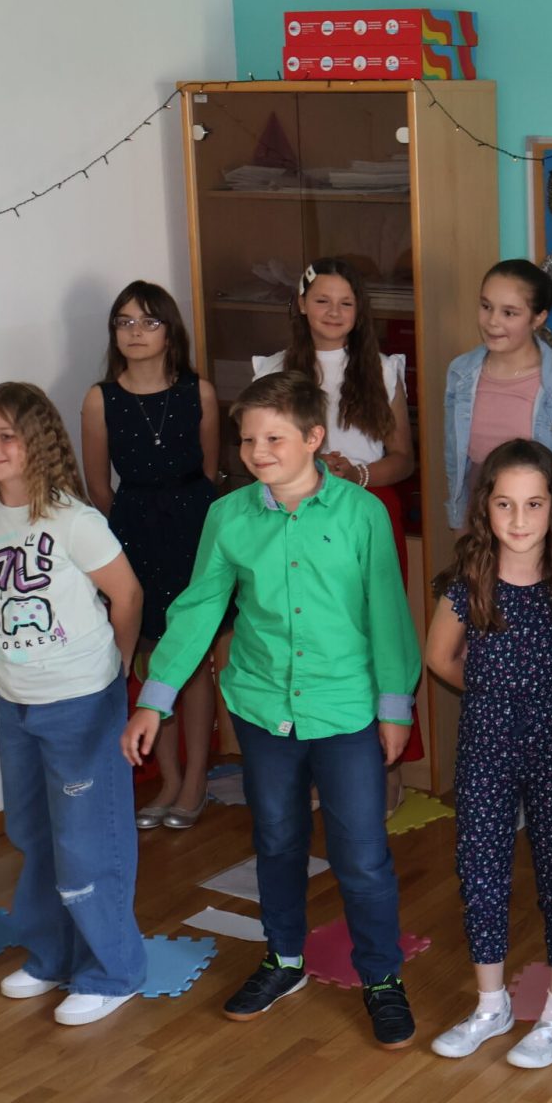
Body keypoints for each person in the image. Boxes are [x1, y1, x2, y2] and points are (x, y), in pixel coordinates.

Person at [119, 372, 423, 1045]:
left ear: (314, 438)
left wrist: (394, 707)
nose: (258, 452)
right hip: (263, 709)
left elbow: (387, 612)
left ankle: (381, 977)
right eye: (248, 440)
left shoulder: (362, 514)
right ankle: (283, 959)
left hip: (345, 710)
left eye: (274, 438)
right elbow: (199, 609)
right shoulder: (228, 517)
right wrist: (154, 700)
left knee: (361, 854)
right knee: (277, 842)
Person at [0, 383, 148, 1025]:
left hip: (81, 701)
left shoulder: (73, 520)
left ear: (37, 440)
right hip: (16, 703)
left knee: (88, 843)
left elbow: (127, 595)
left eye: (7, 435)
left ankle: (112, 971)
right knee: (33, 834)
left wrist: (117, 669)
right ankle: (52, 956)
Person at [423, 439, 552, 1069]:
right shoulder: (469, 584)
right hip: (486, 750)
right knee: (482, 873)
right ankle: (490, 1005)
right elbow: (440, 658)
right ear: (485, 509)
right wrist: (493, 693)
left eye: (533, 504)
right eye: (504, 504)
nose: (519, 519)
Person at [257, 256, 421, 804]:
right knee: (307, 637)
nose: (333, 312)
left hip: (369, 513)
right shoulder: (273, 370)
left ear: (359, 311)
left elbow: (403, 458)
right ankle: (314, 768)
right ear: (301, 304)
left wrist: (359, 475)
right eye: (322, 300)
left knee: (379, 634)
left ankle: (388, 766)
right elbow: (256, 452)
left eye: (346, 303)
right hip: (293, 520)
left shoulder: (382, 369)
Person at [81, 280, 220, 829]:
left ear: (170, 331)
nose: (135, 332)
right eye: (124, 322)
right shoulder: (100, 398)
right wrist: (132, 529)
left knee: (192, 656)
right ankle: (167, 778)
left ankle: (196, 779)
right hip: (133, 529)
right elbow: (99, 487)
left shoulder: (198, 392)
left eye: (148, 321)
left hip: (193, 527)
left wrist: (183, 515)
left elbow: (209, 470)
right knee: (149, 655)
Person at [443, 258, 552, 571]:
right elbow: (455, 463)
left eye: (509, 313)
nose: (492, 322)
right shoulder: (460, 373)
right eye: (486, 306)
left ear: (538, 318)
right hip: (485, 535)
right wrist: (460, 526)